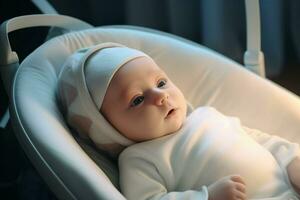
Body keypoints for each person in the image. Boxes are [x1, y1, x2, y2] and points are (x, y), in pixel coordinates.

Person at [57, 42, 300, 200]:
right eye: (138, 100)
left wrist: (290, 158)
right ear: (108, 129)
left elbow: (259, 140)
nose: (160, 96)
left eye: (161, 83)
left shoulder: (206, 115)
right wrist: (206, 197)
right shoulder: (139, 159)